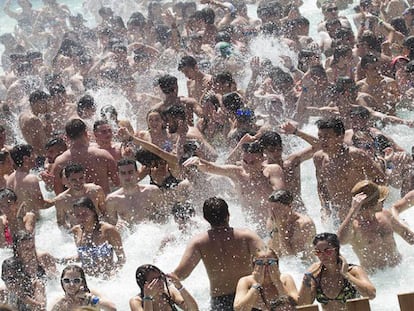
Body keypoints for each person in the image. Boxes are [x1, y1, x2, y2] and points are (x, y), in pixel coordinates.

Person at [171, 197, 265, 311]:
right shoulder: (247, 236)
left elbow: (181, 274)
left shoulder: (199, 242)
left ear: (206, 218)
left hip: (220, 301)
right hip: (249, 295)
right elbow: (267, 258)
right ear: (228, 214)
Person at [183, 142, 284, 234]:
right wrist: (199, 161)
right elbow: (214, 168)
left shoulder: (273, 170)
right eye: (245, 161)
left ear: (262, 159)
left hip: (274, 225)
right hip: (252, 227)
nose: (248, 166)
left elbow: (280, 195)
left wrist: (273, 220)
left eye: (252, 162)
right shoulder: (237, 173)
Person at [312, 117, 385, 224]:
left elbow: (381, 179)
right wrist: (325, 208)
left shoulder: (355, 155)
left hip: (361, 213)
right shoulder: (318, 158)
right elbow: (321, 185)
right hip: (336, 215)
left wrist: (375, 205)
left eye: (327, 137)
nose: (322, 141)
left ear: (340, 137)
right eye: (320, 137)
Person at [337, 180, 414, 272]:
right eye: (381, 200)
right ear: (373, 204)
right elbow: (340, 240)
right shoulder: (354, 226)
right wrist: (353, 210)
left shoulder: (386, 215)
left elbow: (409, 237)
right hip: (377, 279)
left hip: (399, 271)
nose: (383, 202)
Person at [298, 233, 376, 311]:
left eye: (327, 251)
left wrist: (346, 274)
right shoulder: (316, 274)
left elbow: (371, 294)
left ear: (336, 250)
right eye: (318, 252)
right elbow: (303, 305)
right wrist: (307, 277)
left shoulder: (353, 270)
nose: (323, 255)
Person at [51, 119, 119, 194]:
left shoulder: (60, 162)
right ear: (86, 133)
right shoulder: (103, 155)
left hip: (76, 205)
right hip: (102, 202)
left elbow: (58, 194)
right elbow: (118, 183)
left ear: (66, 137)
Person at [69, 197, 125, 278]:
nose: (81, 218)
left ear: (93, 212)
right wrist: (58, 261)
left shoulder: (108, 230)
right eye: (78, 215)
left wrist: (113, 272)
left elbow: (122, 259)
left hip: (107, 277)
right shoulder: (76, 231)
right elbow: (80, 257)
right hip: (87, 278)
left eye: (84, 214)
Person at [233, 248, 298, 310]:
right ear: (254, 265)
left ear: (277, 264)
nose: (265, 267)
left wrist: (278, 282)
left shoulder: (285, 279)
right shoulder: (246, 282)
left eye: (270, 262)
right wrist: (256, 285)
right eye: (260, 263)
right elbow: (239, 309)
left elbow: (297, 305)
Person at [105, 159, 164, 227]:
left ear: (136, 173)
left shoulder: (152, 191)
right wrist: (117, 227)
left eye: (130, 172)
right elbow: (111, 227)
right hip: (131, 235)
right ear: (118, 175)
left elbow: (166, 216)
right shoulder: (112, 200)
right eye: (123, 173)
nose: (127, 177)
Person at [1, 231, 47, 311]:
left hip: (31, 295)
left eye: (32, 248)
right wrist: (34, 304)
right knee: (2, 290)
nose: (30, 252)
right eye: (26, 249)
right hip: (16, 297)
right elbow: (12, 287)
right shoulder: (9, 264)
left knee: (39, 284)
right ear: (17, 248)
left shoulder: (38, 265)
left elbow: (43, 285)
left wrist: (40, 306)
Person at [54, 163, 107, 230]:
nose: (78, 182)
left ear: (85, 176)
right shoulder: (61, 200)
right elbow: (61, 223)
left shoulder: (96, 191)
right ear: (67, 180)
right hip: (78, 232)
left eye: (81, 178)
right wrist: (70, 234)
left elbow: (105, 213)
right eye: (74, 180)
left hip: (97, 228)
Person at [267, 190, 316, 260]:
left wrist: (281, 229)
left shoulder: (304, 224)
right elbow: (275, 252)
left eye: (277, 209)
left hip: (305, 265)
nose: (273, 213)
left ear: (290, 206)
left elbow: (291, 259)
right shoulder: (272, 221)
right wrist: (277, 228)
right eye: (270, 208)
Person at [130, 264, 199, 311]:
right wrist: (148, 297)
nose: (160, 282)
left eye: (160, 278)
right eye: (154, 281)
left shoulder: (170, 293)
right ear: (144, 285)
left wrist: (179, 286)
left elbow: (194, 309)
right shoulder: (136, 301)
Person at [51, 265, 116, 311]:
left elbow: (112, 308)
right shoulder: (60, 303)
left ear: (82, 282)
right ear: (62, 282)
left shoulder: (91, 294)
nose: (71, 284)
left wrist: (88, 298)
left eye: (76, 281)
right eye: (67, 280)